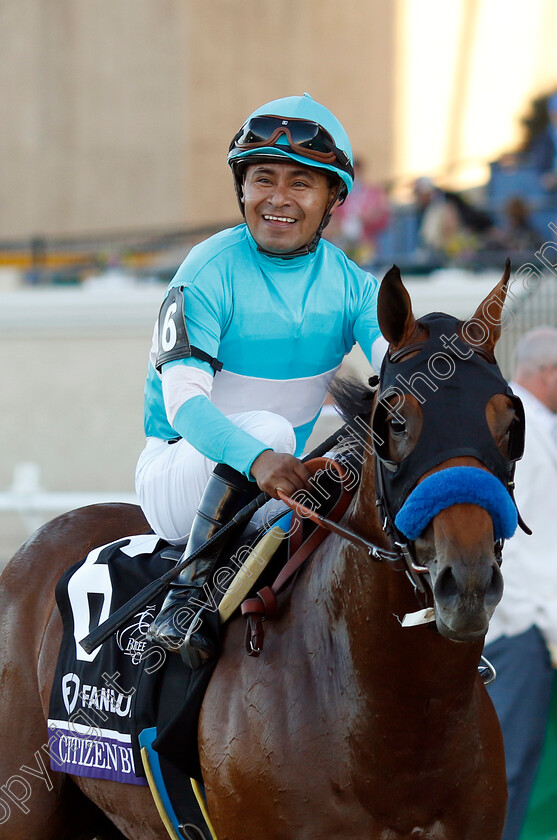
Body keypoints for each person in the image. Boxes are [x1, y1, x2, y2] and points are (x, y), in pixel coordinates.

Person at [135, 93, 386, 664]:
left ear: (332, 199)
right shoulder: (206, 270)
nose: (278, 198)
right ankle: (185, 597)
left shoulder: (355, 287)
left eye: (301, 183)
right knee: (272, 429)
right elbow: (183, 407)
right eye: (263, 179)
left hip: (277, 482)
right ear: (241, 188)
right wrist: (258, 459)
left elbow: (403, 364)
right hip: (180, 476)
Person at [484, 326, 557, 840]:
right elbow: (522, 544)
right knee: (506, 775)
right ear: (549, 374)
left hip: (528, 624)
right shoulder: (521, 428)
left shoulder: (527, 424)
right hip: (523, 626)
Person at [324, 158, 390, 264]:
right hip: (341, 242)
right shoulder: (338, 192)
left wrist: (367, 218)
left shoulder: (373, 192)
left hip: (365, 242)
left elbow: (382, 218)